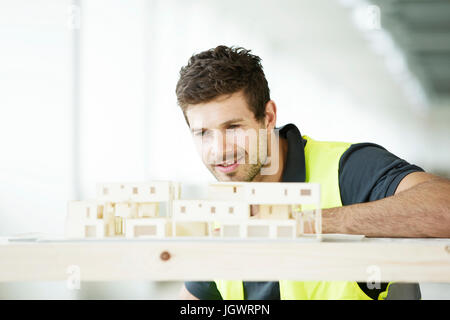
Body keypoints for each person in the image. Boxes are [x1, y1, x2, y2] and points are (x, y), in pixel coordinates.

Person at [174, 45, 450, 300]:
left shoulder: (347, 168)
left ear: (268, 117)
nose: (219, 150)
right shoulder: (219, 212)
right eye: (203, 133)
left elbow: (444, 208)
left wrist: (302, 222)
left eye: (233, 127)